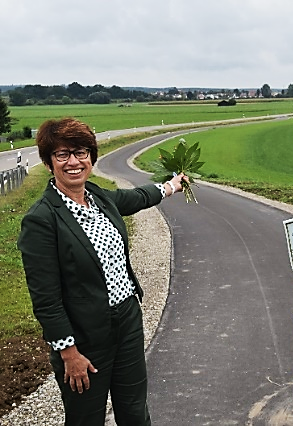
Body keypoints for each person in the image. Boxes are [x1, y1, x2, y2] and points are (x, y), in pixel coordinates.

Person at [17, 117, 188, 426]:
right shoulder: (41, 220)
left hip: (127, 320)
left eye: (81, 152)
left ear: (91, 158)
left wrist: (170, 186)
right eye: (62, 154)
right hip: (84, 335)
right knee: (86, 417)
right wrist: (68, 353)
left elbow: (137, 198)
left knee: (135, 409)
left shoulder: (100, 198)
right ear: (48, 162)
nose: (73, 161)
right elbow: (46, 299)